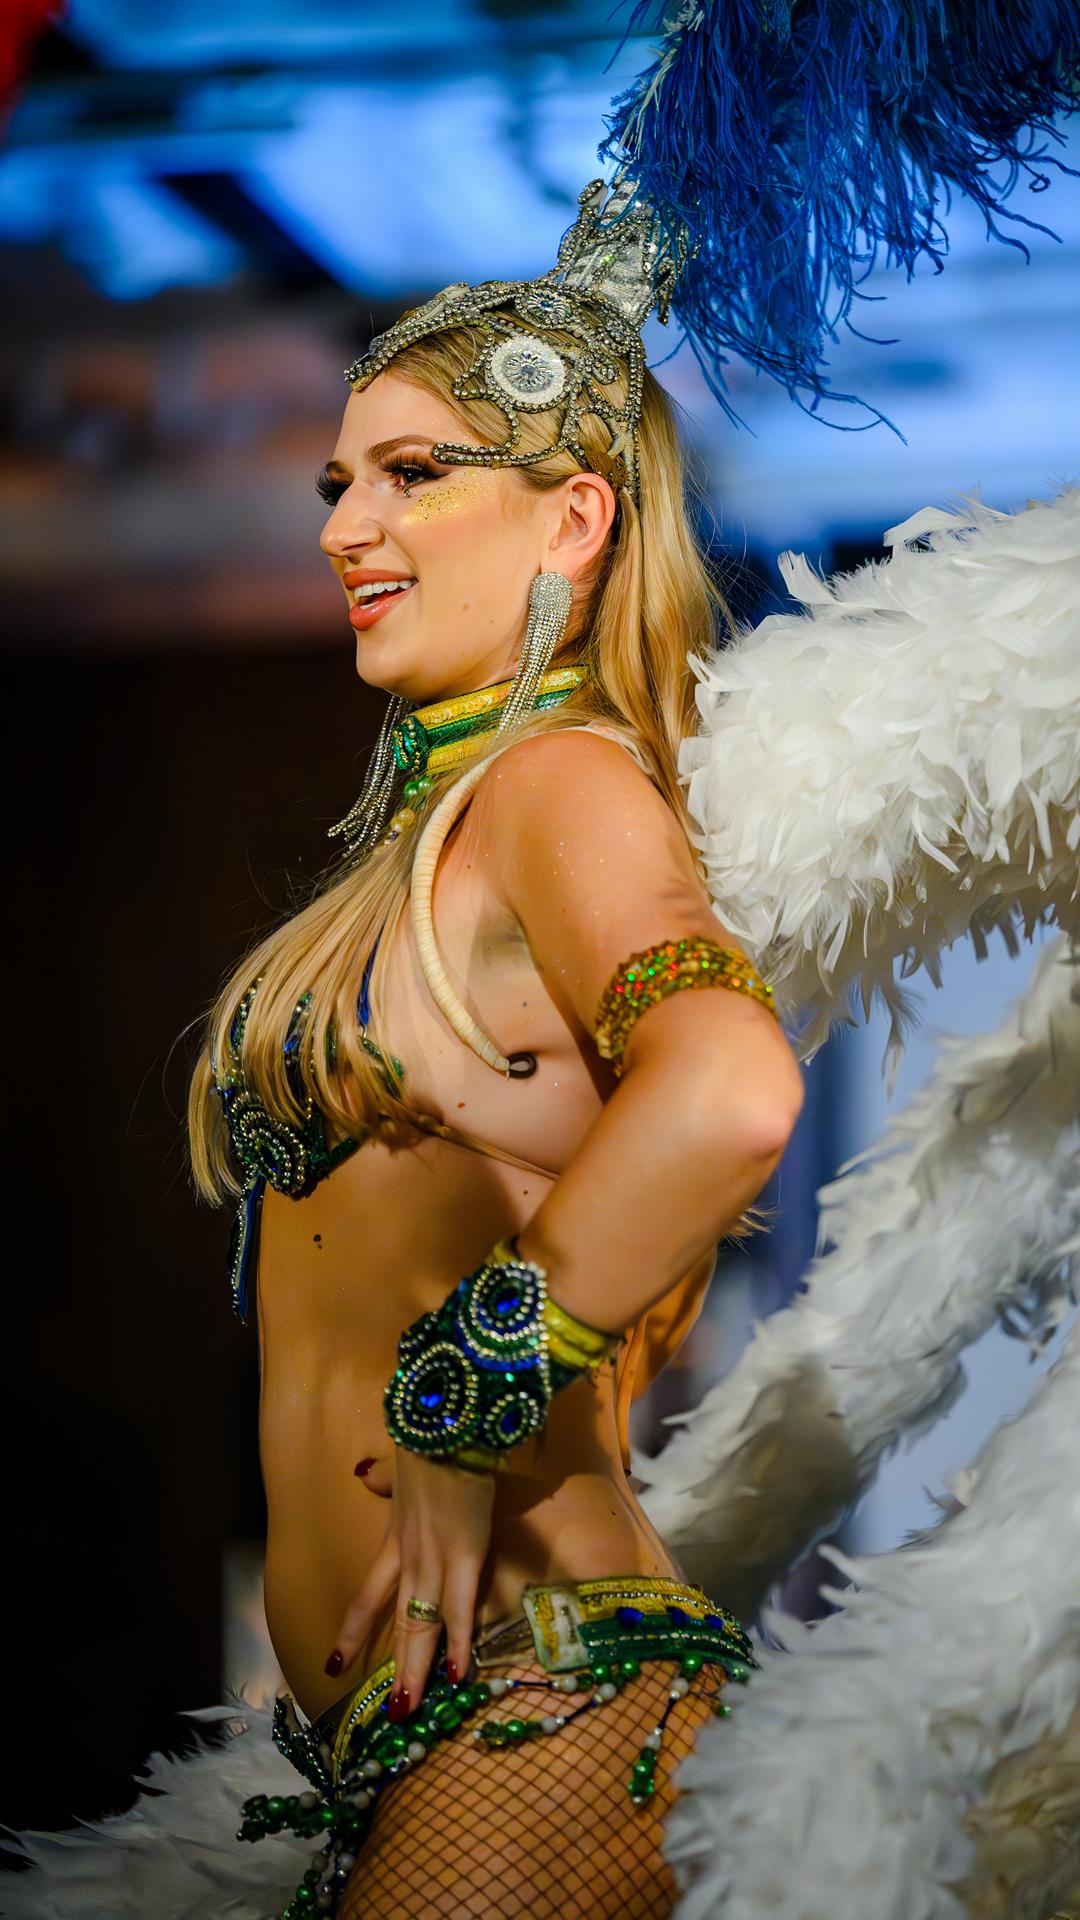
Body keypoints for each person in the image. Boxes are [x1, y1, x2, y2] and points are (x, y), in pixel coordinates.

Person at [185, 278, 805, 1918]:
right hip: (440, 1734)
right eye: (339, 484)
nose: (347, 528)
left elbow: (730, 1084)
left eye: (414, 474)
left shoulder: (557, 783)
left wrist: (463, 1393)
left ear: (572, 520)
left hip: (550, 1696)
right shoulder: (448, 833)